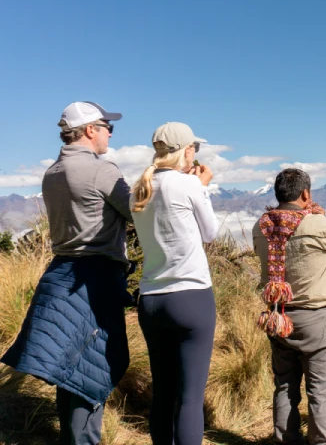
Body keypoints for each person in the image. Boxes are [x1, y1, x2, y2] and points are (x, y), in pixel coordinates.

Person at [2, 101, 132, 445]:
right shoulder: (101, 171)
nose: (109, 134)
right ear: (90, 130)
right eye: (107, 127)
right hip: (96, 278)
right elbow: (139, 213)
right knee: (93, 364)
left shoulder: (53, 172)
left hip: (62, 273)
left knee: (71, 366)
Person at [130, 122, 219, 444]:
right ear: (189, 150)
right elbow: (210, 234)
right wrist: (203, 187)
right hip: (191, 296)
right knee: (190, 399)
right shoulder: (188, 186)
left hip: (151, 299)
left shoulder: (139, 188)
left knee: (163, 395)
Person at [252, 168, 326, 445]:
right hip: (315, 319)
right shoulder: (317, 224)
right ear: (305, 194)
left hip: (277, 317)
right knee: (320, 393)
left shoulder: (261, 226)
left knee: (285, 386)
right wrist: (321, 218)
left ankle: (286, 440)